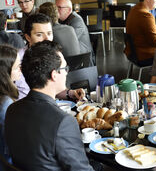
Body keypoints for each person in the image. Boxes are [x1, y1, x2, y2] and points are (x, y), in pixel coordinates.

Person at [5, 40, 103, 171]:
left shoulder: (12, 109)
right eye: (65, 68)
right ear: (54, 75)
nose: (67, 73)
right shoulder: (63, 122)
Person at [15, 13, 84, 100]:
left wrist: (70, 93)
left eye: (49, 33)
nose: (47, 39)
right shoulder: (16, 60)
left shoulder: (54, 54)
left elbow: (51, 88)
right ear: (28, 37)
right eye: (39, 35)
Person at [125, 0, 156, 65]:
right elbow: (154, 41)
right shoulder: (146, 15)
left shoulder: (134, 9)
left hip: (132, 53)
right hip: (143, 55)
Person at [56, 0, 94, 65]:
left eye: (59, 7)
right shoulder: (61, 20)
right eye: (55, 7)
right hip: (73, 54)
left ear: (69, 10)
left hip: (83, 59)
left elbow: (68, 42)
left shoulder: (77, 21)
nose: (56, 10)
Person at [0, 45, 21, 165]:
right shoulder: (6, 104)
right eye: (17, 67)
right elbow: (11, 149)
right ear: (5, 72)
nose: (21, 70)